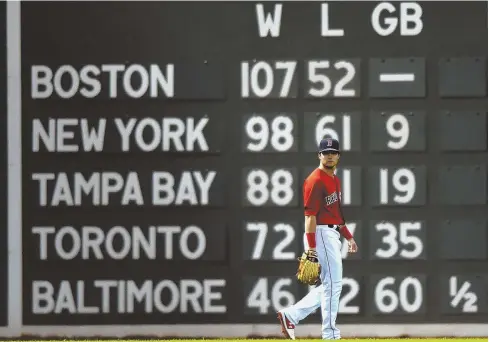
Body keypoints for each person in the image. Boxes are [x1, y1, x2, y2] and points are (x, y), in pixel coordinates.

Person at [277, 137, 358, 340]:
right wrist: (311, 247)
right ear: (319, 155)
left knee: (330, 285)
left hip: (330, 233)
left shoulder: (334, 180)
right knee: (333, 285)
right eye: (325, 152)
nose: (329, 156)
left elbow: (336, 215)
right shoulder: (315, 180)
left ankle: (291, 315)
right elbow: (310, 216)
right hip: (320, 233)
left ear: (338, 156)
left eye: (333, 152)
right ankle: (330, 335)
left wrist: (348, 237)